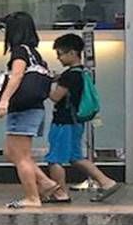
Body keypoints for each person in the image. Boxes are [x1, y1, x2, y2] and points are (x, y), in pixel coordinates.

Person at [42, 33, 121, 204]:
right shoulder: (82, 72)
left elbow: (55, 97)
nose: (58, 58)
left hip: (63, 122)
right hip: (76, 122)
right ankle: (106, 182)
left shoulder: (69, 76)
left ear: (72, 53)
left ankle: (61, 193)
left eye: (60, 54)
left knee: (54, 159)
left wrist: (44, 83)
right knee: (76, 157)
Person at [0, 12, 60, 209]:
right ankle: (46, 183)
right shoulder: (34, 53)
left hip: (22, 109)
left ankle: (32, 197)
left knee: (21, 156)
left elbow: (17, 76)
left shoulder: (20, 52)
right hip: (34, 108)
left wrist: (4, 100)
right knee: (11, 152)